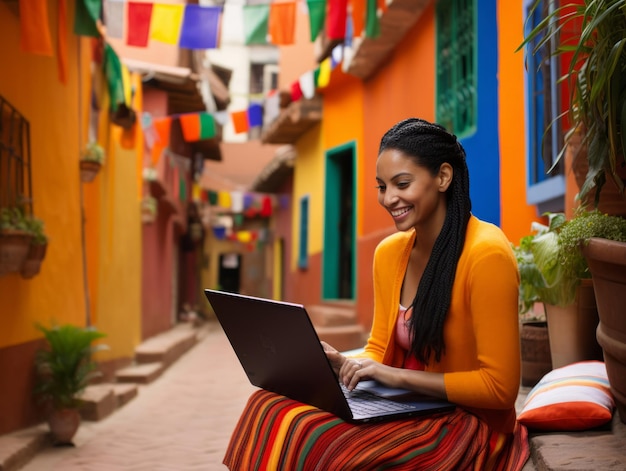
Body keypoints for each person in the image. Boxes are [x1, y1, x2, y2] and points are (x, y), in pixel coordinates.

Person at [223, 118, 529, 470]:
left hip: (467, 424)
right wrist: (346, 364)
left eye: (402, 183)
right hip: (406, 404)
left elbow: (500, 388)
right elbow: (381, 348)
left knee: (318, 440)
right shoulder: (390, 253)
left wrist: (393, 376)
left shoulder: (486, 254)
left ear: (443, 177)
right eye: (382, 187)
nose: (389, 198)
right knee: (268, 407)